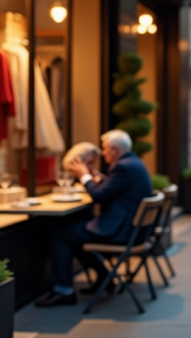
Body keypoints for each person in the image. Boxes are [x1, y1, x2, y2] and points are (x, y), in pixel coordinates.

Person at [36, 130, 153, 307]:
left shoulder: (122, 166)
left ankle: (63, 291)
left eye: (105, 149)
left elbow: (98, 196)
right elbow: (115, 188)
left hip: (122, 232)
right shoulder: (133, 162)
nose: (103, 153)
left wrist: (85, 175)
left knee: (62, 233)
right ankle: (105, 277)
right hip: (134, 230)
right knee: (75, 233)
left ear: (114, 149)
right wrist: (100, 179)